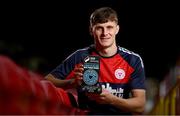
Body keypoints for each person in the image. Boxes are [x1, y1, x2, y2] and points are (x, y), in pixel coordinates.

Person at [45, 7, 146, 115]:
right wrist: (72, 82)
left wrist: (112, 100)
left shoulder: (132, 59)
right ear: (91, 30)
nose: (105, 33)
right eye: (99, 28)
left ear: (117, 29)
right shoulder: (80, 56)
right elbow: (47, 80)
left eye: (109, 27)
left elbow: (140, 106)